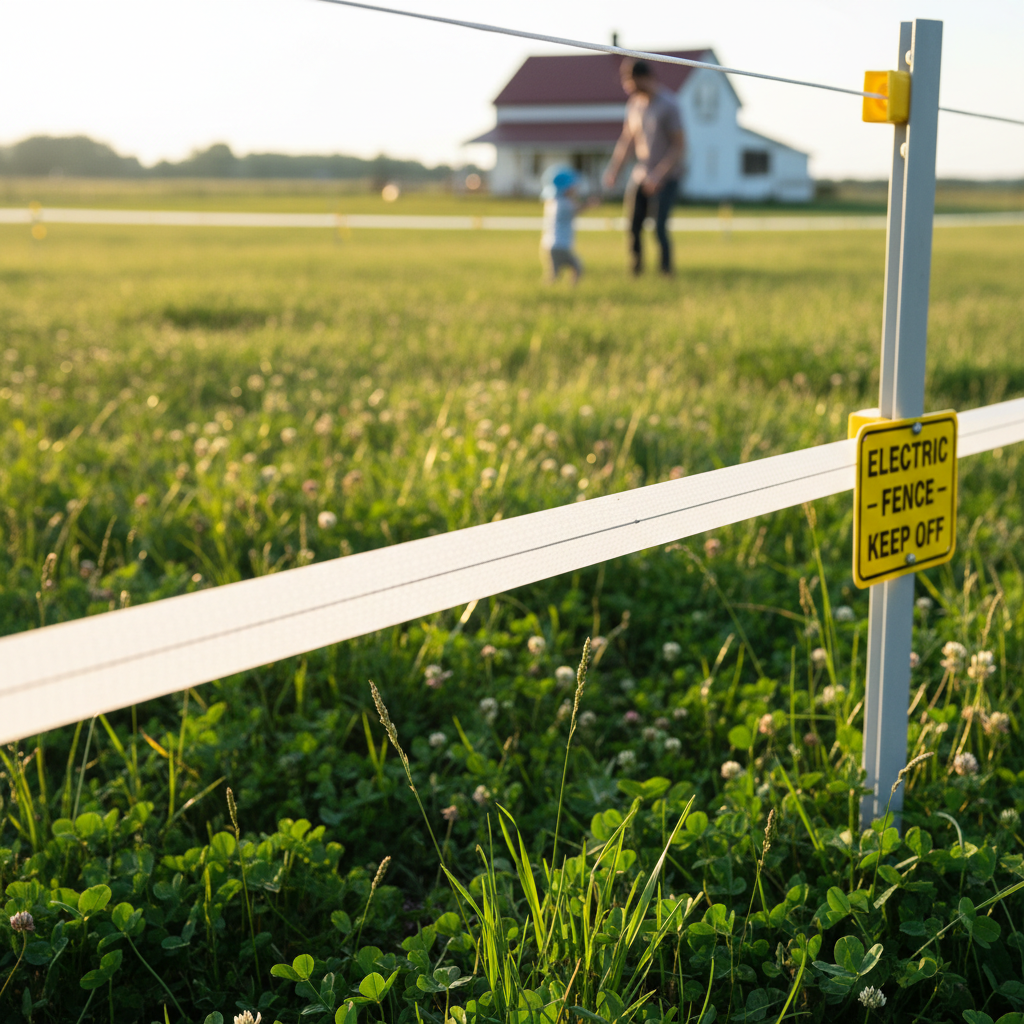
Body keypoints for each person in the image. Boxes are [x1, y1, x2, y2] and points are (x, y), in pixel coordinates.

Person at [603, 59, 686, 276]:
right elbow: (627, 140)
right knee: (633, 225)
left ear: (644, 78)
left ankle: (666, 273)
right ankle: (636, 271)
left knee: (659, 227)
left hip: (667, 177)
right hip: (641, 174)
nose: (627, 86)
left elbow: (679, 147)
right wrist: (614, 170)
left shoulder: (669, 105)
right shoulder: (634, 105)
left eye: (630, 81)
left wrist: (659, 175)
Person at [539, 167, 596, 285]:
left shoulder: (552, 202)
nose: (576, 189)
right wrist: (589, 204)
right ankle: (572, 287)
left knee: (554, 273)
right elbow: (577, 209)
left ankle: (549, 289)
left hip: (549, 245)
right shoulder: (564, 203)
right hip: (561, 245)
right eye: (573, 187)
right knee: (577, 266)